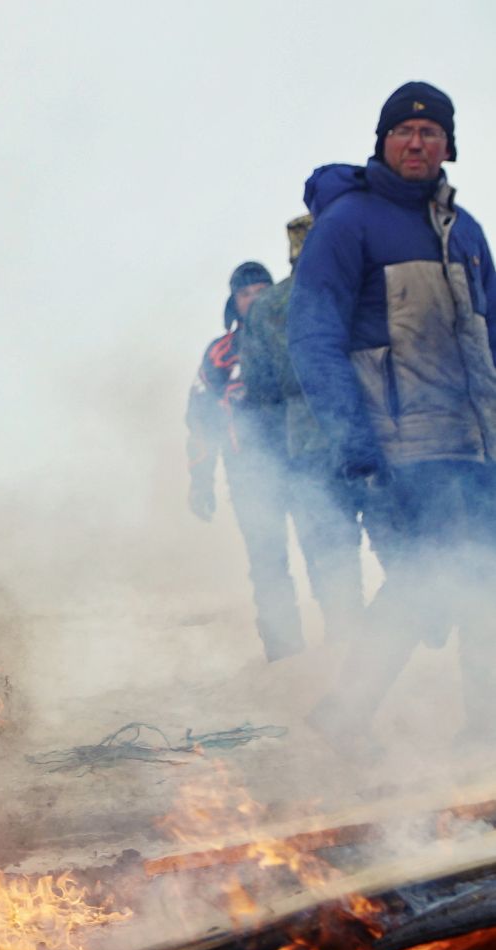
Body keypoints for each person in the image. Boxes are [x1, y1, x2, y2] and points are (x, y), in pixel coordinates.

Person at [289, 81, 496, 755]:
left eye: (430, 132)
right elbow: (314, 340)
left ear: (449, 146)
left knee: (476, 580)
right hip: (400, 442)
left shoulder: (464, 231)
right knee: (427, 581)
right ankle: (345, 714)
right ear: (382, 142)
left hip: (475, 442)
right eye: (404, 132)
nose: (417, 142)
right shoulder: (348, 224)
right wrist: (354, 445)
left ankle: (476, 728)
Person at [234, 214, 366, 644]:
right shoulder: (356, 291)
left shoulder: (270, 308)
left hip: (304, 444)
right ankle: (367, 638)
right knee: (380, 545)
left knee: (324, 545)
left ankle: (340, 645)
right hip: (369, 435)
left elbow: (260, 389)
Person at [188, 259, 314, 659]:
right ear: (233, 302)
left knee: (324, 552)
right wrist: (201, 480)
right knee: (268, 564)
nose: (255, 299)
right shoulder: (221, 355)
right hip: (250, 475)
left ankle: (347, 646)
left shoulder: (303, 338)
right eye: (246, 293)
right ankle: (285, 656)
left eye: (263, 290)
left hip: (307, 467)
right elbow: (201, 421)